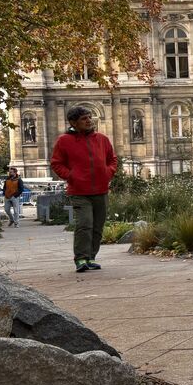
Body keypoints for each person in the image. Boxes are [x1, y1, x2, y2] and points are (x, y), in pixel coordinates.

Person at [50, 106, 117, 272]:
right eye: (84, 119)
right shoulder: (64, 141)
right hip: (79, 192)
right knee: (84, 224)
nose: (89, 121)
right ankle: (81, 258)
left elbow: (112, 159)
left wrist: (108, 173)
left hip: (101, 190)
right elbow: (56, 164)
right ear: (73, 122)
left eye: (89, 117)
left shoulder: (102, 139)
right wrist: (72, 176)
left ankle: (91, 257)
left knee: (97, 226)